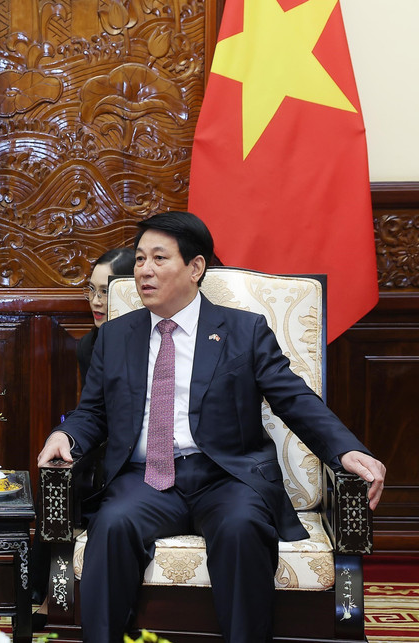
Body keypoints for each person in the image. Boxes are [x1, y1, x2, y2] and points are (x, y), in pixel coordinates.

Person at [36, 211, 385, 643]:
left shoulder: (244, 331)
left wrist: (346, 449)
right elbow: (92, 412)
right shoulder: (115, 336)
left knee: (242, 528)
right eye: (140, 259)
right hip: (145, 480)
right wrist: (65, 435)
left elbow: (293, 399)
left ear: (195, 267)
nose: (144, 270)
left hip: (226, 476)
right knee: (112, 526)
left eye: (159, 258)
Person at [77, 248, 134, 381]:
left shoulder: (155, 340)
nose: (95, 301)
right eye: (92, 289)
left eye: (105, 291)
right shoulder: (87, 345)